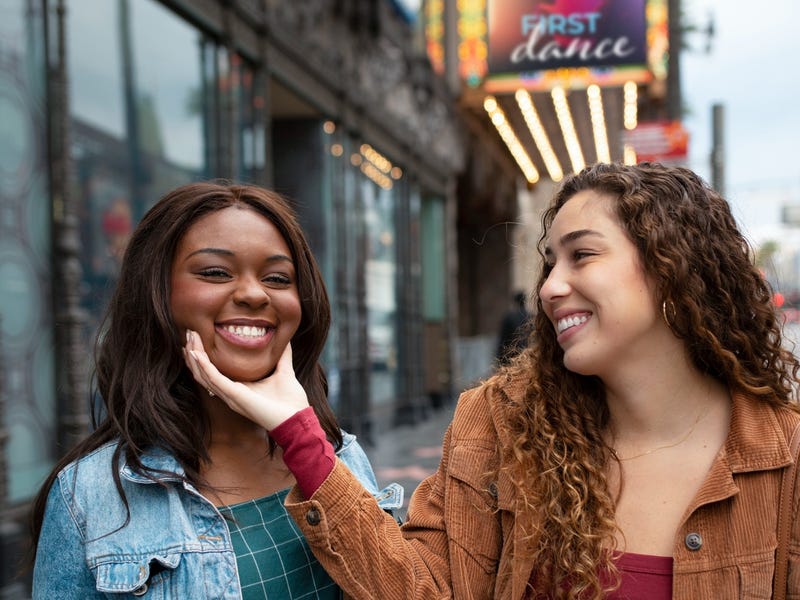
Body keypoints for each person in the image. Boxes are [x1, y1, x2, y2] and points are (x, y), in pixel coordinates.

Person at [180, 163, 800, 598]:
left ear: (674, 270)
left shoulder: (785, 457)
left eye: (582, 255)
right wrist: (301, 434)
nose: (552, 286)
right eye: (550, 262)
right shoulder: (501, 423)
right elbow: (421, 590)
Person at [30, 182, 401, 598]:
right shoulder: (88, 496)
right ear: (157, 295)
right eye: (215, 272)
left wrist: (302, 438)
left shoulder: (339, 458)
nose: (252, 293)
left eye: (278, 278)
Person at [495, 290, 532, 365]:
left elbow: (503, 340)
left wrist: (500, 360)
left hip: (512, 357)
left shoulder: (509, 317)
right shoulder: (531, 316)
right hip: (529, 355)